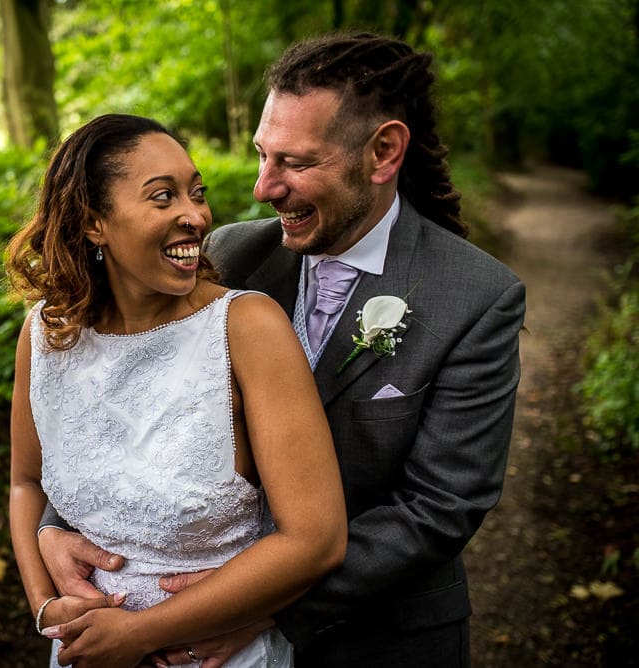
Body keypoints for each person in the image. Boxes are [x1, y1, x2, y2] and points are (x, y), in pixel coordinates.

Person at [38, 33, 526, 667]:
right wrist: (56, 525)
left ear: (383, 152)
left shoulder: (476, 297)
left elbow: (439, 506)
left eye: (295, 162)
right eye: (262, 156)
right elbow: (121, 392)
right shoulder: (228, 259)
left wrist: (258, 603)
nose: (265, 187)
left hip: (377, 639)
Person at [5, 113, 347, 667]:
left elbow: (315, 539)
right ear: (95, 223)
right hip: (86, 653)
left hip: (218, 655)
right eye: (163, 198)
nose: (195, 216)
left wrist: (140, 634)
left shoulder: (247, 327)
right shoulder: (46, 334)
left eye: (197, 193)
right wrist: (46, 607)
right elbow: (25, 483)